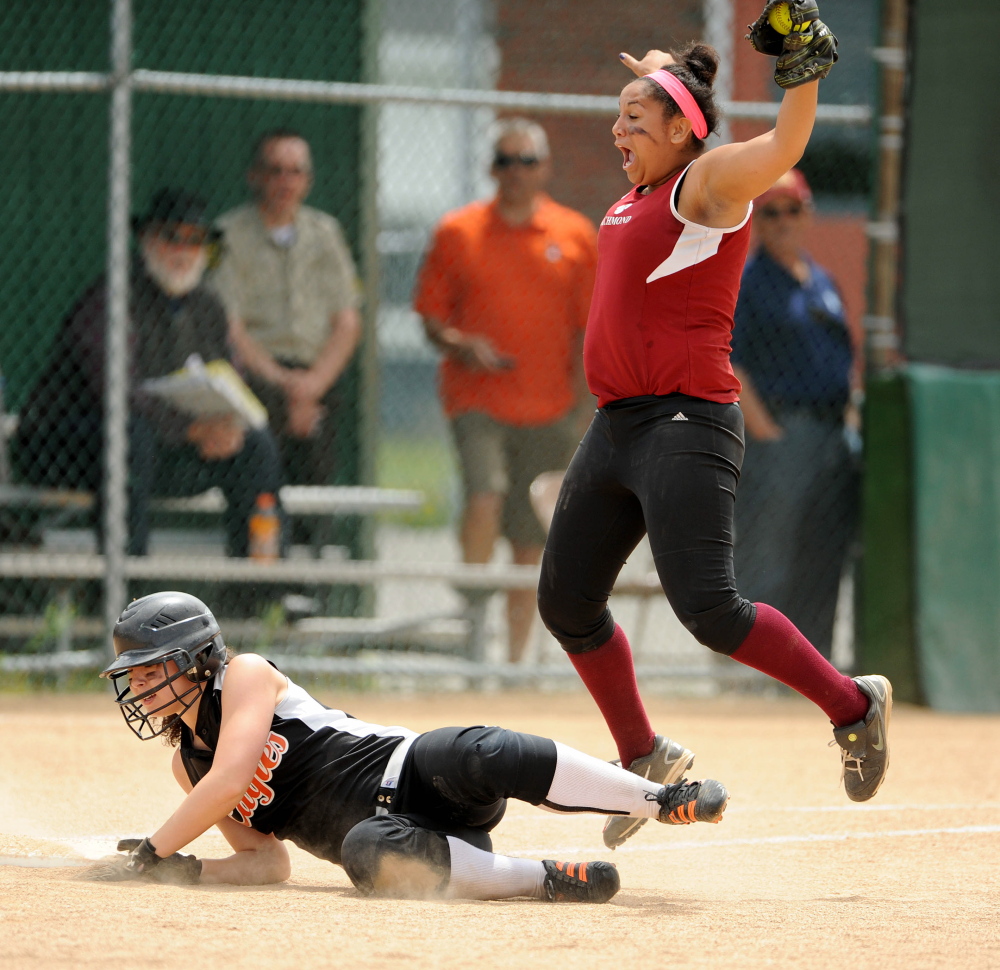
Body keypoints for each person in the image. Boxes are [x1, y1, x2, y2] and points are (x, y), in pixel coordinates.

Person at [534, 0, 892, 853]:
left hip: (687, 421)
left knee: (711, 610)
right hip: (619, 424)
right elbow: (677, 99)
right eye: (618, 115)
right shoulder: (647, 188)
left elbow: (783, 149)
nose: (618, 129)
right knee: (567, 601)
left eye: (633, 117)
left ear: (679, 130)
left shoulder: (706, 185)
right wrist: (666, 70)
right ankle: (644, 755)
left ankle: (854, 704)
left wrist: (799, 73)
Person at [97, 590, 730, 902]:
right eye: (138, 676)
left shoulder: (245, 675)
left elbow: (235, 777)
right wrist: (187, 870)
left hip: (420, 773)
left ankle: (660, 796)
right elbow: (269, 865)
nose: (143, 687)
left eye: (156, 669)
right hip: (402, 840)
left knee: (475, 750)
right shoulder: (189, 767)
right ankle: (548, 879)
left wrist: (153, 850)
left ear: (200, 660)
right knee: (367, 855)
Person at [414, 118, 598, 662]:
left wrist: (587, 408)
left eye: (527, 160)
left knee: (530, 538)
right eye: (505, 160)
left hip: (552, 407)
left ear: (544, 168)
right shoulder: (458, 231)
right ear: (491, 168)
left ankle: (515, 661)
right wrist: (462, 343)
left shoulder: (575, 236)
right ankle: (474, 633)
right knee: (485, 495)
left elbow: (588, 329)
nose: (515, 171)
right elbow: (430, 317)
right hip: (477, 400)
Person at [15, 188, 285, 557]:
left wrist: (227, 425)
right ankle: (126, 586)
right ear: (146, 239)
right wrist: (191, 428)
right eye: (172, 237)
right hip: (64, 444)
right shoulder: (111, 298)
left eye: (195, 241)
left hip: (164, 448)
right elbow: (118, 393)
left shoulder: (209, 306)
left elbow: (230, 380)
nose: (182, 251)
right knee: (132, 433)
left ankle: (262, 589)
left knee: (256, 444)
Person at [732, 169, 859, 660]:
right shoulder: (751, 282)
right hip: (782, 431)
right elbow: (728, 357)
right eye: (771, 212)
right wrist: (766, 430)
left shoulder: (821, 279)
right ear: (757, 222)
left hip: (830, 434)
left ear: (808, 213)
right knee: (768, 550)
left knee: (822, 553)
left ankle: (810, 665)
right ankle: (748, 667)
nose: (783, 220)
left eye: (793, 209)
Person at [210, 129, 361, 505]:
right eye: (275, 170)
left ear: (308, 180)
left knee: (317, 453)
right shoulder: (230, 234)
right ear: (255, 176)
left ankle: (313, 549)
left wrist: (312, 384)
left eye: (295, 172)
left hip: (315, 375)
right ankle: (259, 546)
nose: (285, 182)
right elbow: (230, 326)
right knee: (262, 455)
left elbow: (347, 322)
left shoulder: (325, 234)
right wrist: (283, 383)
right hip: (257, 374)